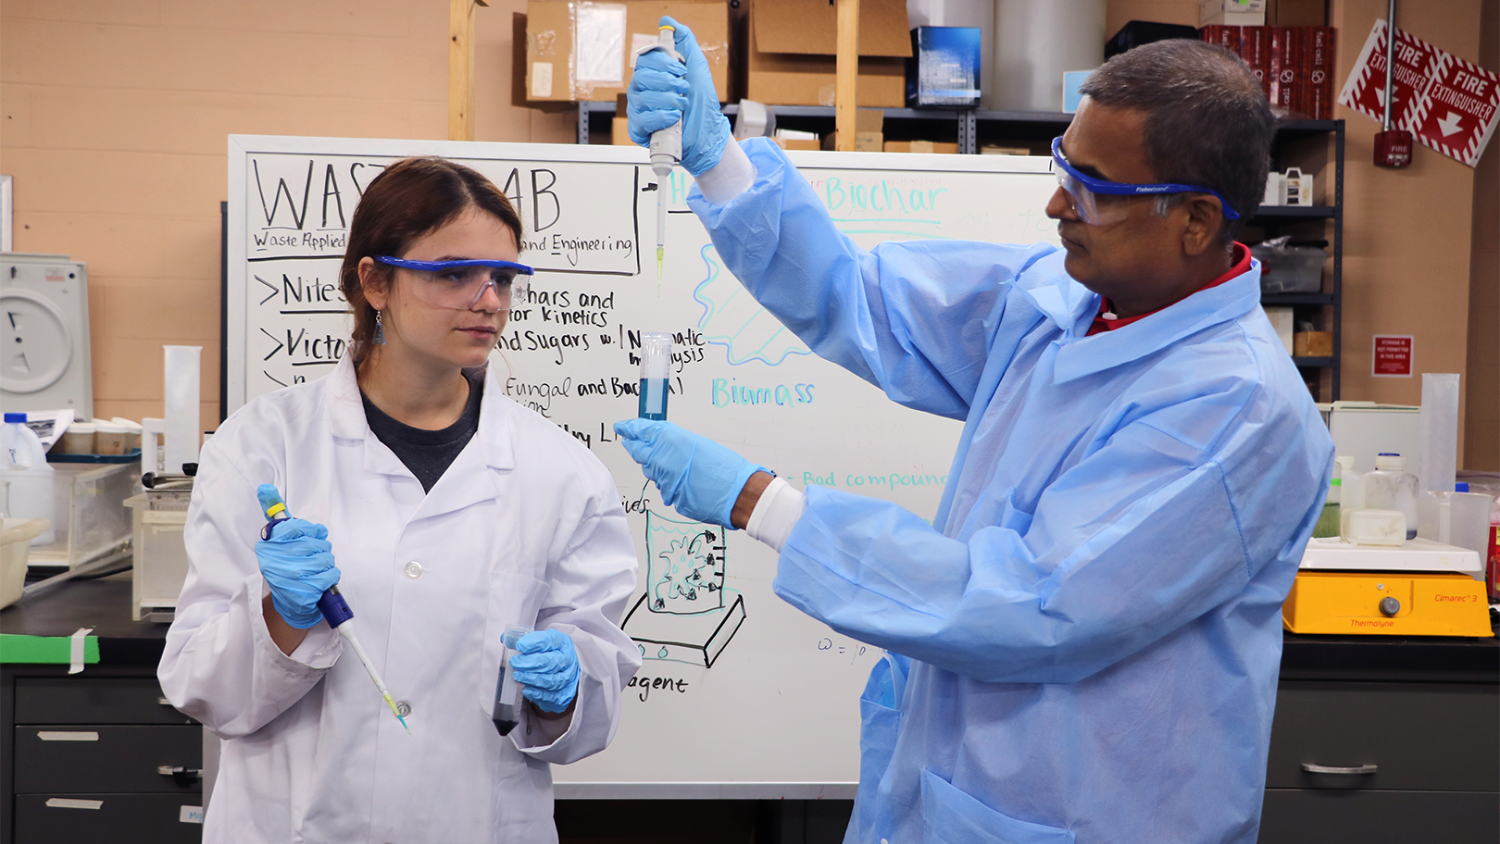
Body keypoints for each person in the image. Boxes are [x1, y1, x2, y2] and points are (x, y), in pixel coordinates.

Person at [618, 24, 1334, 844]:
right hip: (953, 796)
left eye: (1093, 188)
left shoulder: (1234, 409)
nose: (1057, 204)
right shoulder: (1055, 303)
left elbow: (1034, 604)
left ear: (1197, 220)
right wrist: (719, 161)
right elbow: (860, 300)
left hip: (1095, 815)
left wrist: (761, 504)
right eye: (1063, 165)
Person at [159, 157, 641, 844]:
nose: (489, 300)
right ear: (375, 280)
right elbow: (202, 687)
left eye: (502, 278)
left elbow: (590, 699)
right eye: (454, 274)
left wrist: (568, 690)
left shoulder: (562, 473)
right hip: (297, 826)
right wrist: (280, 617)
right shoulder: (263, 446)